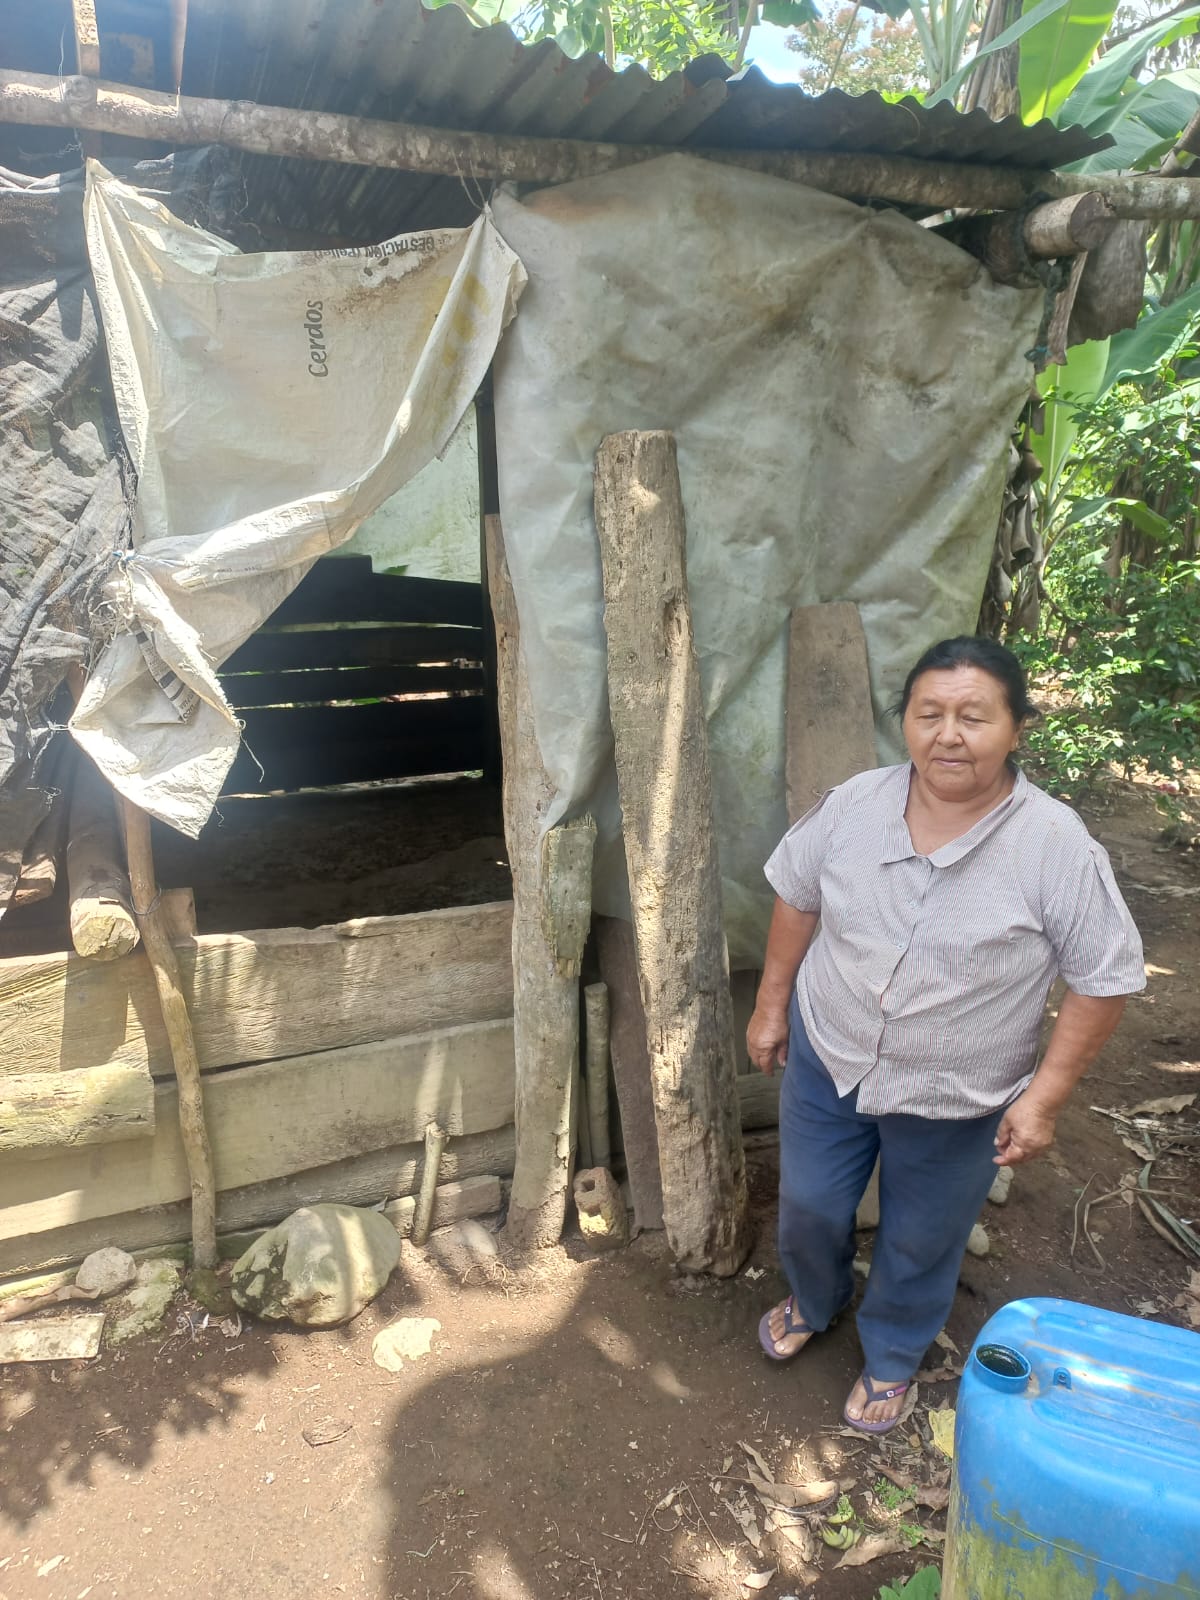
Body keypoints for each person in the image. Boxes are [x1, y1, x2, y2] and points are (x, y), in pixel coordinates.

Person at [746, 636, 1145, 1435]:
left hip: (958, 1094)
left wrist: (1044, 1098)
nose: (948, 735)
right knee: (811, 1205)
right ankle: (815, 1299)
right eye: (929, 714)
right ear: (905, 722)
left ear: (1018, 728)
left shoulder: (1055, 845)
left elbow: (1104, 977)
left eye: (974, 716)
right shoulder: (855, 804)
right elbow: (797, 893)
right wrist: (771, 1003)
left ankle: (894, 1350)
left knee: (922, 1236)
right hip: (832, 1055)